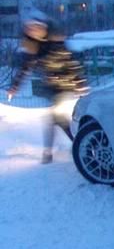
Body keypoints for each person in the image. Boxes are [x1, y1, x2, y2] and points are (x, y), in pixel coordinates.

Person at [6, 11, 88, 164]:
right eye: (29, 29)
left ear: (43, 27)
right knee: (58, 119)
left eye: (35, 27)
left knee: (54, 118)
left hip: (65, 84)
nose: (33, 31)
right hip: (52, 87)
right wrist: (14, 88)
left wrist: (80, 83)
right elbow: (25, 68)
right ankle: (79, 143)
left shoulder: (56, 42)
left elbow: (70, 63)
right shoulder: (34, 47)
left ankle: (55, 151)